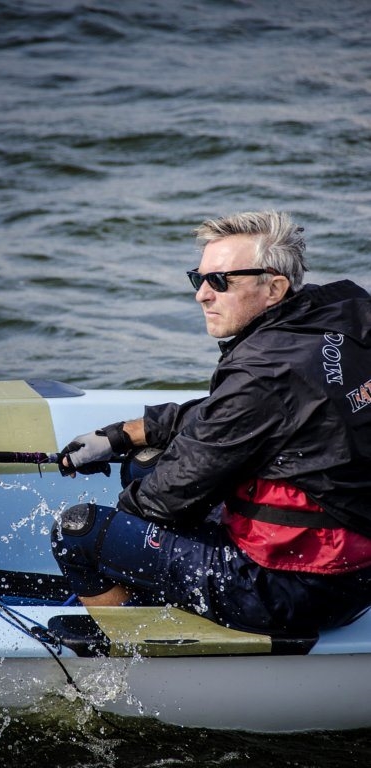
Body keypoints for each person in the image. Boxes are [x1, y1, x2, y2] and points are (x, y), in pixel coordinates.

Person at [51, 210, 371, 636]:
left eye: (220, 281)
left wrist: (116, 542)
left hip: (292, 591)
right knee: (145, 464)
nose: (202, 295)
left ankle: (127, 644)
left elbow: (165, 501)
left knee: (79, 531)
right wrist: (124, 434)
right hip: (354, 566)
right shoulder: (340, 314)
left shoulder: (263, 374)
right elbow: (238, 412)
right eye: (198, 279)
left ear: (274, 288)